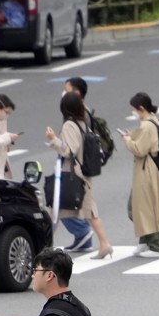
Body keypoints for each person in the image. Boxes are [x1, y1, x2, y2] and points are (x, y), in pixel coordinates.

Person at [46, 92, 113, 260]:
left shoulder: (69, 125)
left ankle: (44, 247)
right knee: (90, 211)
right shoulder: (82, 123)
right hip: (83, 173)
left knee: (53, 210)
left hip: (71, 175)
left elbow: (70, 150)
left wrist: (54, 139)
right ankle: (105, 243)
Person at [121, 92, 159, 259]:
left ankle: (157, 246)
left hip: (147, 171)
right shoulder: (153, 120)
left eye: (134, 109)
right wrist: (131, 136)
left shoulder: (147, 125)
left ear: (141, 108)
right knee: (137, 206)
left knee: (146, 208)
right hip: (149, 169)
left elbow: (140, 149)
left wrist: (126, 140)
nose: (133, 112)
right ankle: (145, 239)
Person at [58, 77, 94, 253]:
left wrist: (54, 142)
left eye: (67, 90)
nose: (64, 93)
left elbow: (70, 149)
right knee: (78, 205)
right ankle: (83, 237)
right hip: (83, 166)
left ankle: (84, 233)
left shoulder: (73, 121)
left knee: (61, 204)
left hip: (74, 169)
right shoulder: (83, 115)